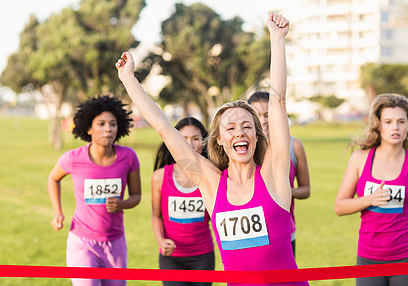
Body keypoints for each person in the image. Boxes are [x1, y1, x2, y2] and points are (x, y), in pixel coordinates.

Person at [116, 14, 309, 286]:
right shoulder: (210, 183)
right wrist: (128, 80)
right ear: (218, 139)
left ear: (256, 135)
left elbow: (277, 101)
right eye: (230, 128)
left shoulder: (274, 173)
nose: (239, 132)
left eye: (247, 126)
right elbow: (164, 129)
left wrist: (277, 39)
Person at [335, 93, 408, 286]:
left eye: (401, 121)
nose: (395, 128)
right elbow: (340, 207)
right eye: (388, 122)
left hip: (407, 257)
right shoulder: (359, 159)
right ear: (379, 125)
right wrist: (369, 200)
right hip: (368, 259)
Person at [48, 95, 141, 286]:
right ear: (89, 128)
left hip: (115, 243)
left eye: (113, 124)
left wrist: (122, 204)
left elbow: (137, 196)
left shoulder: (128, 157)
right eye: (101, 124)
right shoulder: (73, 158)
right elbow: (53, 178)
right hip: (82, 242)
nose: (108, 129)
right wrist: (58, 212)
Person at [152, 117, 215, 286]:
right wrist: (160, 240)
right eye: (183, 138)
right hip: (171, 258)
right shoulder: (159, 177)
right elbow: (156, 216)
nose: (190, 144)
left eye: (196, 138)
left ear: (204, 143)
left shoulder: (212, 176)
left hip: (203, 257)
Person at [248, 91, 310, 256]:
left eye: (268, 114)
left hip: (284, 232)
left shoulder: (294, 146)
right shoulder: (244, 149)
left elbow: (305, 190)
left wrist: (282, 192)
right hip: (251, 235)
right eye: (257, 115)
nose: (263, 120)